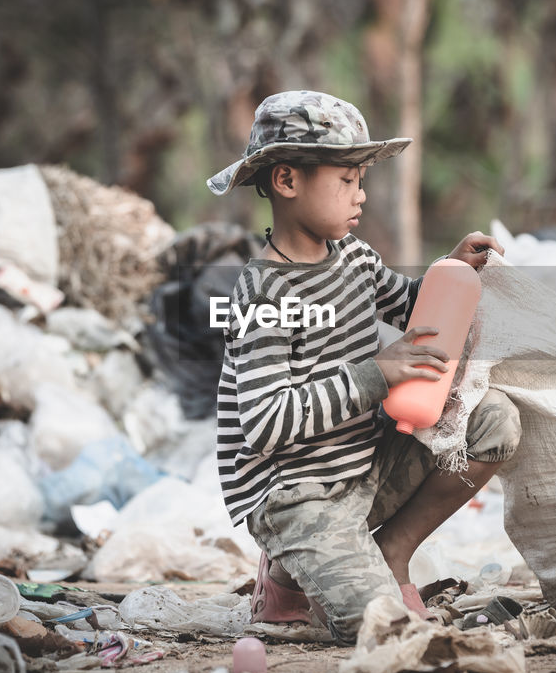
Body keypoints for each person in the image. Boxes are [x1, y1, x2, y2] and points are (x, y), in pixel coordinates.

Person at [206, 90, 523, 644]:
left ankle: (391, 554)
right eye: (347, 180)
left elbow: (410, 308)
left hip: (364, 465)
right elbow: (262, 422)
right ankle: (287, 567)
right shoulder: (265, 294)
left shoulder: (353, 256)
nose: (361, 195)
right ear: (287, 181)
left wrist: (450, 270)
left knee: (493, 422)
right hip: (298, 493)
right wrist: (378, 374)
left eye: (361, 180)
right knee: (383, 628)